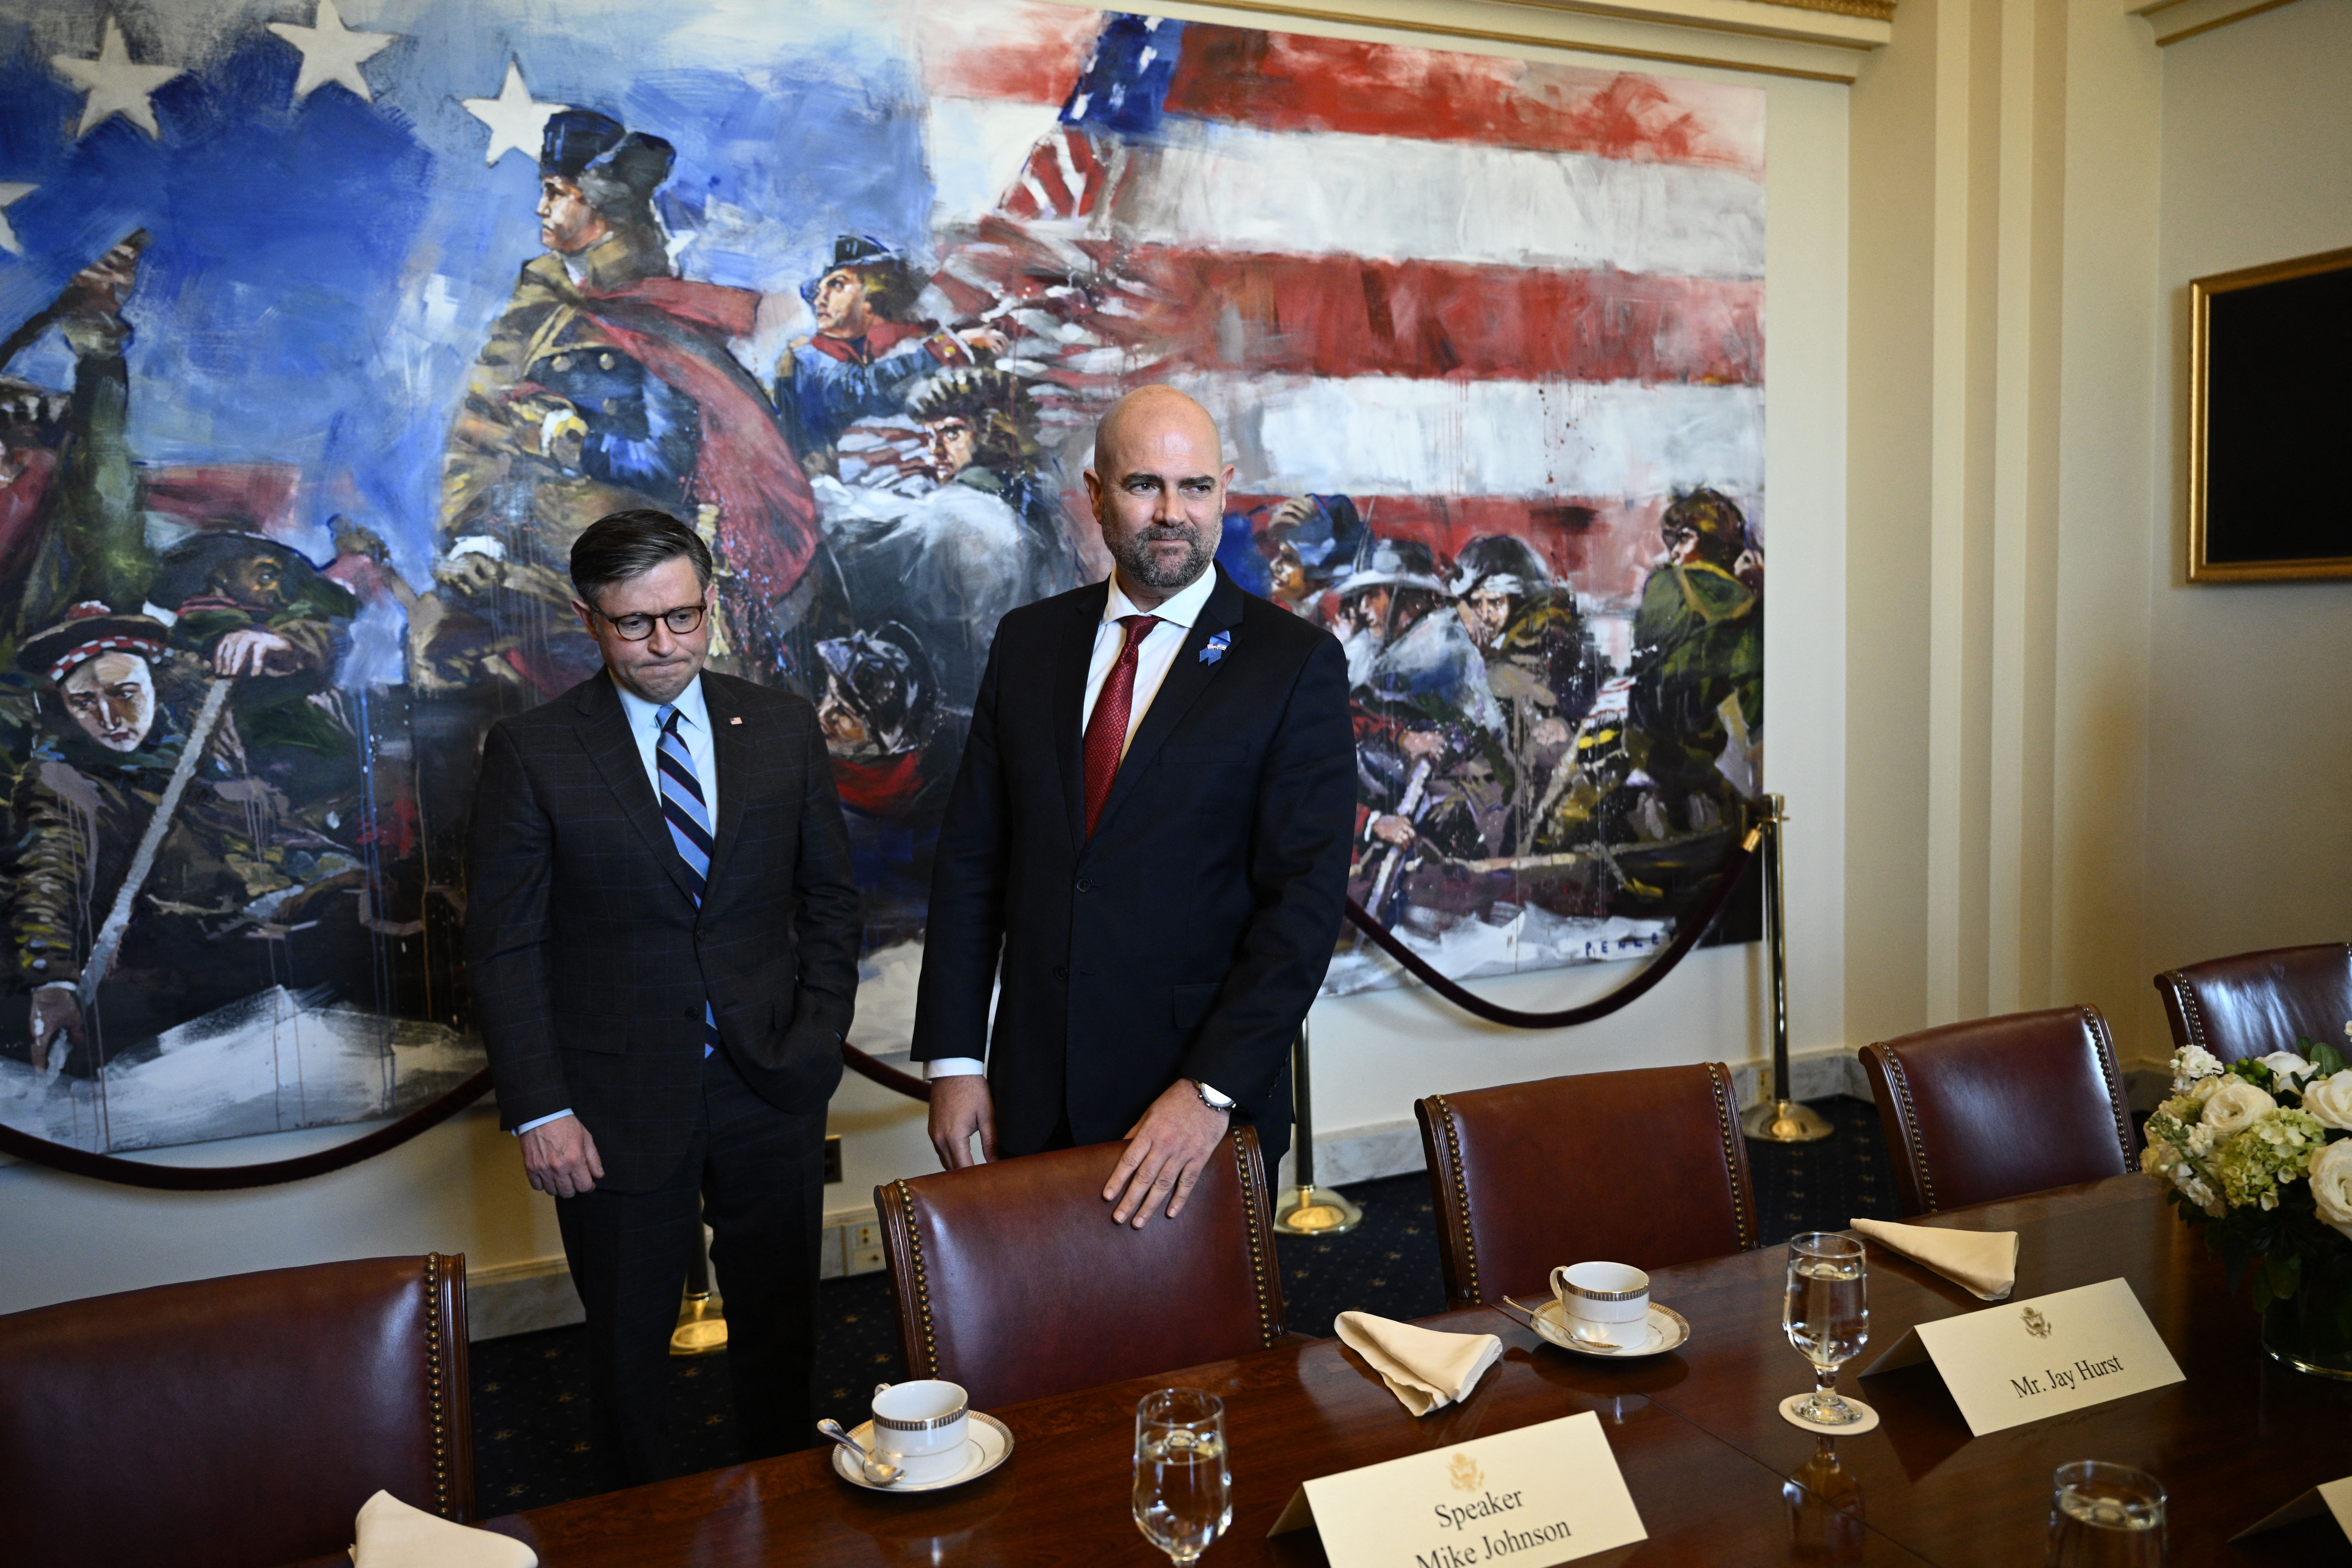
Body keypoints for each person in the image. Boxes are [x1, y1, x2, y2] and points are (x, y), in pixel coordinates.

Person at [464, 509, 859, 1485]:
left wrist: (814, 1039)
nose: (665, 645)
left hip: (770, 1081)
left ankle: (785, 1499)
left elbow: (831, 902)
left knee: (781, 1321)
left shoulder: (775, 727)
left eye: (684, 617)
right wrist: (542, 1109)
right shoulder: (534, 751)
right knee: (628, 1340)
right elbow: (503, 947)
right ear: (588, 621)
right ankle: (641, 1516)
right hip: (609, 1102)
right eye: (636, 624)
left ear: (711, 604)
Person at [911, 386, 1355, 1227]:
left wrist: (1210, 1089)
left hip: (1194, 1113)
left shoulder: (1292, 665)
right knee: (1043, 1343)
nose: (1169, 513)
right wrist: (956, 1059)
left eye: (1193, 487)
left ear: (1224, 489)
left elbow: (1302, 906)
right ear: (1095, 494)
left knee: (1210, 1359)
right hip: (1030, 1093)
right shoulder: (1028, 642)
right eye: (1142, 484)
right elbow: (973, 861)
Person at [427, 110, 822, 700]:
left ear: (600, 206)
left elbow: (666, 465)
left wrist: (567, 441)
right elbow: (484, 430)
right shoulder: (539, 298)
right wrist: (476, 535)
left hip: (628, 567)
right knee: (441, 656)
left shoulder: (651, 310)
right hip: (530, 553)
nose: (542, 208)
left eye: (557, 194)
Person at [1624, 487, 1763, 835]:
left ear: (1707, 540)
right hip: (1723, 774)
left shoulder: (1665, 585)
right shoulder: (1753, 606)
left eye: (1681, 539)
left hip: (1657, 759)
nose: (1673, 553)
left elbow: (1644, 672)